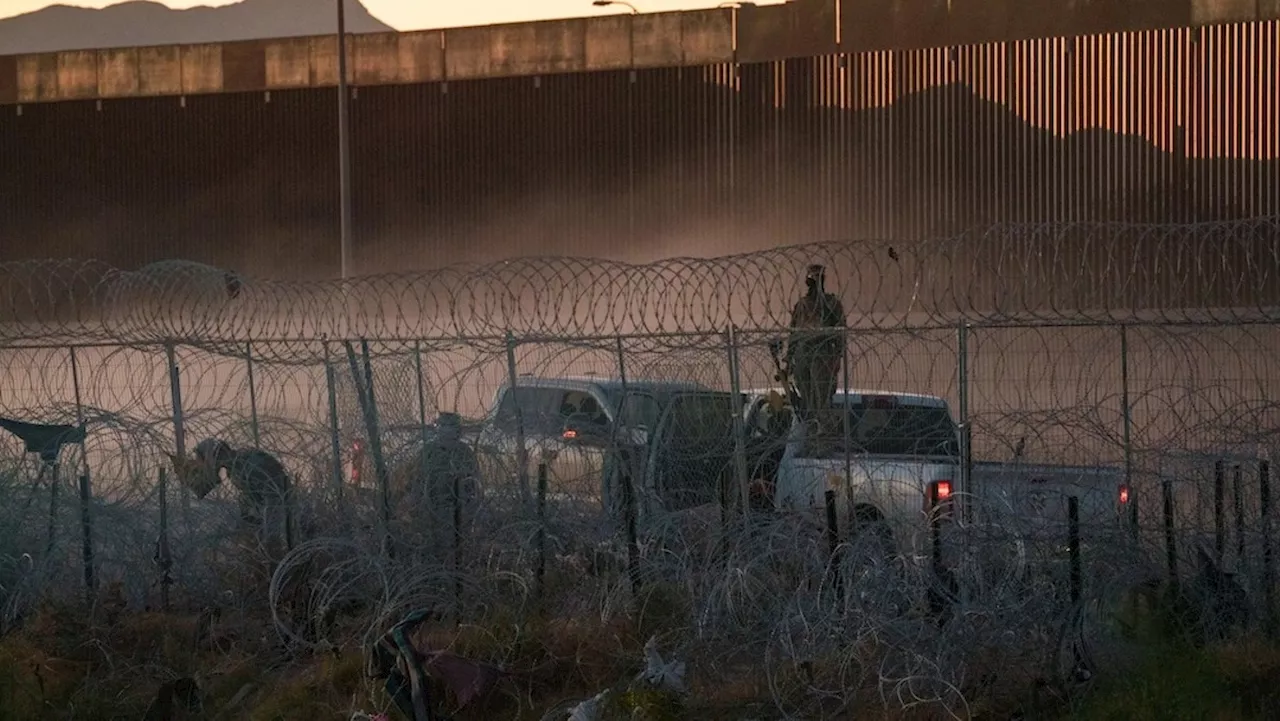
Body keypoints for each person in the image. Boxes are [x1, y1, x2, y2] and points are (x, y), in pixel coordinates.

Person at [171, 438, 294, 557]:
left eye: (203, 461)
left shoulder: (249, 463)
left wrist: (270, 536)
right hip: (274, 521)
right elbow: (249, 499)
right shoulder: (236, 468)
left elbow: (274, 498)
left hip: (287, 523)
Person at [784, 264, 847, 430]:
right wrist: (789, 360)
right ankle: (811, 431)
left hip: (822, 353)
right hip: (803, 354)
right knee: (806, 399)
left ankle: (823, 435)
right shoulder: (802, 305)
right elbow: (794, 333)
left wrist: (837, 357)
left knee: (822, 400)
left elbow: (840, 332)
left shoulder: (831, 303)